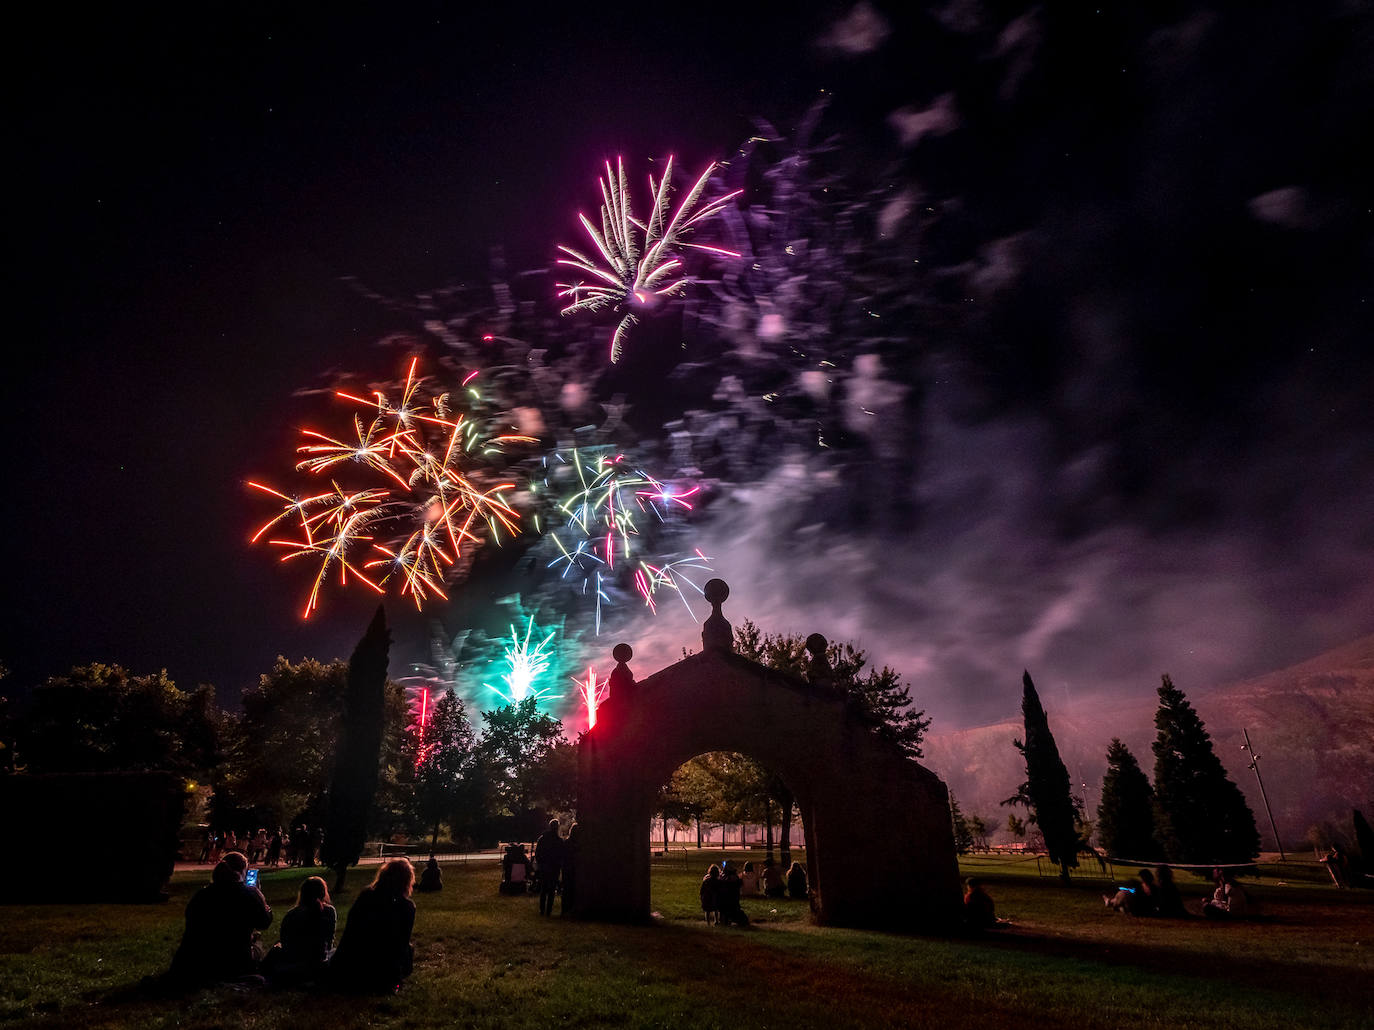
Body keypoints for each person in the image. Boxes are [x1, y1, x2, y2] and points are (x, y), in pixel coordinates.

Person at [167, 853, 273, 985]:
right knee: (257, 944)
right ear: (243, 872)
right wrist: (262, 900)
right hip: (233, 962)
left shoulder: (202, 895)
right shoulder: (249, 894)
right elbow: (264, 922)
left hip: (196, 960)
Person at [329, 858, 416, 993]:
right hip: (381, 975)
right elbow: (401, 944)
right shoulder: (407, 907)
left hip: (348, 968)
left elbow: (351, 931)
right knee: (409, 949)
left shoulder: (366, 896)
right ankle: (393, 983)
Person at [263, 875, 336, 986]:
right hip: (317, 964)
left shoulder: (291, 914)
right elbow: (329, 942)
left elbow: (285, 942)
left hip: (292, 964)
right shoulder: (329, 911)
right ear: (323, 893)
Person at [534, 819, 564, 916]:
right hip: (554, 867)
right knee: (551, 890)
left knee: (543, 889)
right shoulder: (559, 841)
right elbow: (561, 855)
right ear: (557, 827)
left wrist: (540, 864)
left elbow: (537, 853)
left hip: (544, 866)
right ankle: (548, 911)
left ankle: (542, 910)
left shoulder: (542, 839)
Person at [718, 861, 749, 926]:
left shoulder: (725, 878)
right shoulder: (735, 878)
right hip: (732, 903)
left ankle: (726, 920)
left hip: (728, 903)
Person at [560, 822, 580, 915]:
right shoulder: (578, 845)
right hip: (574, 868)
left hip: (567, 868)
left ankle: (565, 909)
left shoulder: (567, 843)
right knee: (573, 888)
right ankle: (571, 908)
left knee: (566, 888)